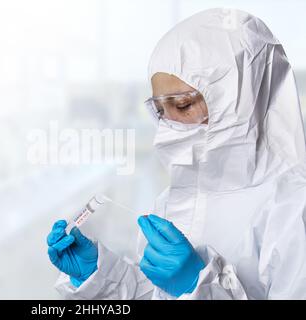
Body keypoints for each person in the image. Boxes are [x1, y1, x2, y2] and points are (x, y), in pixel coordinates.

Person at [46, 8, 306, 299]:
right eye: (160, 111)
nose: (168, 128)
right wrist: (102, 277)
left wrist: (199, 287)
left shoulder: (294, 208)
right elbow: (157, 295)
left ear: (242, 98)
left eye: (182, 106)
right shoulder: (174, 201)